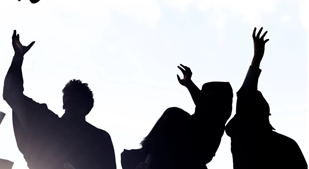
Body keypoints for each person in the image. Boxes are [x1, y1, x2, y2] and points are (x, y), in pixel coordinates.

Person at [3, 30, 116, 169]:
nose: (72, 99)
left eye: (75, 97)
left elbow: (11, 94)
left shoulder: (48, 123)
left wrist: (18, 58)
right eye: (71, 95)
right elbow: (11, 94)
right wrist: (18, 57)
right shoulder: (100, 138)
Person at [225, 27, 307, 169]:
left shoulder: (241, 138)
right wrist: (256, 59)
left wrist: (256, 59)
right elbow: (246, 94)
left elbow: (246, 95)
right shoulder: (285, 145)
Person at [122, 65, 233, 169]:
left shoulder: (211, 122)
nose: (201, 100)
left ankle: (147, 158)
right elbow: (202, 102)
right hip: (175, 151)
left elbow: (204, 104)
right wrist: (188, 83)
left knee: (174, 114)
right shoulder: (203, 118)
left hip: (190, 152)